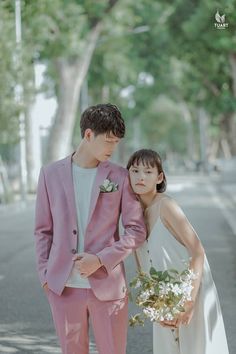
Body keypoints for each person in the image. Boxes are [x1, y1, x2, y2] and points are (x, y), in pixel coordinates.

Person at [34, 103, 146, 354]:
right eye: (108, 141)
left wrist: (100, 259)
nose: (112, 148)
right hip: (63, 288)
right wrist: (44, 275)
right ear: (87, 135)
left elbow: (136, 230)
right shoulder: (49, 174)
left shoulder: (119, 176)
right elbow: (43, 231)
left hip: (108, 287)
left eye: (116, 142)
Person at [127, 149, 229, 354]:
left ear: (160, 177)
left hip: (191, 292)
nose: (140, 177)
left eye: (148, 172)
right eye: (135, 170)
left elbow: (197, 251)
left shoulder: (166, 206)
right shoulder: (134, 215)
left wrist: (188, 302)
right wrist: (152, 302)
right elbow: (143, 264)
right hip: (163, 301)